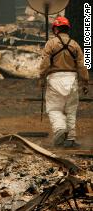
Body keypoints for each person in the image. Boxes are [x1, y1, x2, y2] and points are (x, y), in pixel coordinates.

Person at [39, 16, 89, 147]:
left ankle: (60, 128)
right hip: (72, 79)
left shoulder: (51, 43)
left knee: (55, 109)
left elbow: (45, 63)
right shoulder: (75, 44)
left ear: (55, 29)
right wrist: (85, 82)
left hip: (55, 79)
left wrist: (41, 77)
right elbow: (82, 65)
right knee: (71, 110)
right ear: (67, 29)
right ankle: (71, 138)